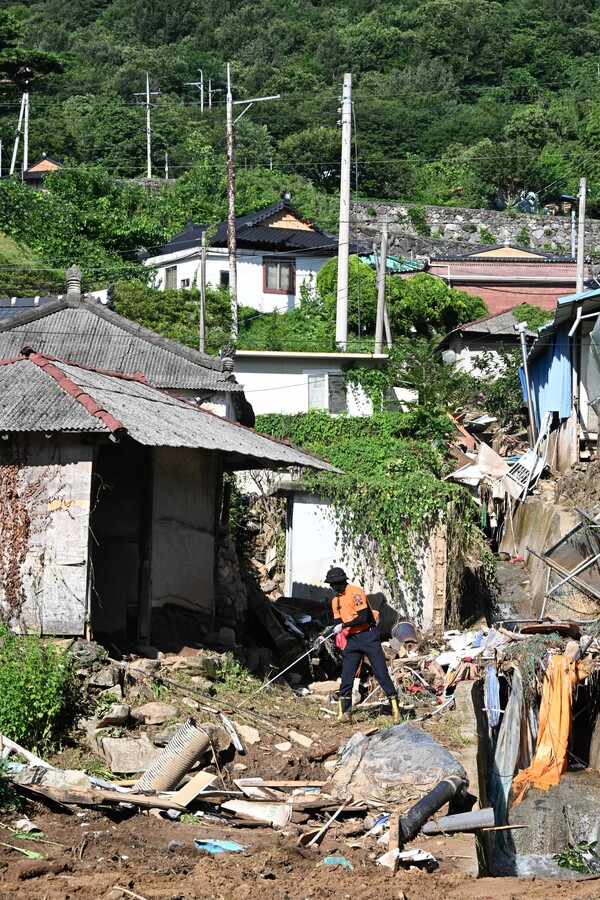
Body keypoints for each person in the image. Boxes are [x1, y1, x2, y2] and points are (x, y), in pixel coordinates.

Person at [325, 566, 400, 725]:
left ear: (341, 582)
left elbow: (363, 617)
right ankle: (344, 714)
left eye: (334, 584)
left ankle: (396, 711)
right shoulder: (335, 600)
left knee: (381, 673)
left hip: (368, 636)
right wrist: (324, 635)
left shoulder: (355, 592)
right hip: (352, 640)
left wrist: (344, 625)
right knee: (346, 676)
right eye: (331, 585)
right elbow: (337, 623)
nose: (332, 587)